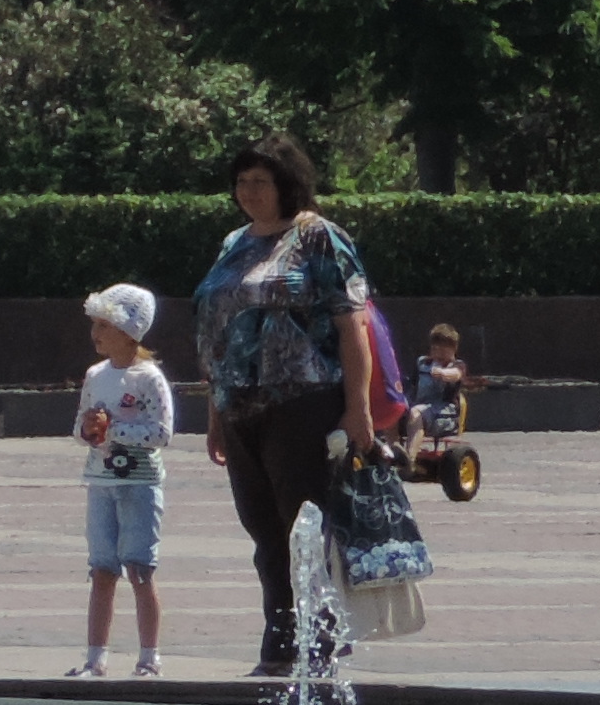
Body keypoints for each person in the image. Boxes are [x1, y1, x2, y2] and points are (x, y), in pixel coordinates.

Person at [193, 134, 385, 676]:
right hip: (239, 404)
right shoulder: (234, 242)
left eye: (261, 182)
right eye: (241, 182)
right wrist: (215, 414)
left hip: (303, 401)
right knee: (263, 530)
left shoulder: (318, 236)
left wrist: (358, 408)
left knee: (304, 525)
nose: (248, 192)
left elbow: (352, 325)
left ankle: (317, 644)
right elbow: (216, 333)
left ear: (287, 184)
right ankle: (279, 642)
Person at [72, 285, 175, 677]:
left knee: (140, 568)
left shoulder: (148, 378)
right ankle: (95, 658)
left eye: (105, 325)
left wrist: (114, 429)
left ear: (129, 332)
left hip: (140, 483)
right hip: (100, 482)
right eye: (95, 324)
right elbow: (79, 426)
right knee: (101, 569)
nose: (95, 333)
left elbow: (162, 433)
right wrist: (88, 430)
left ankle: (149, 657)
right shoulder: (95, 375)